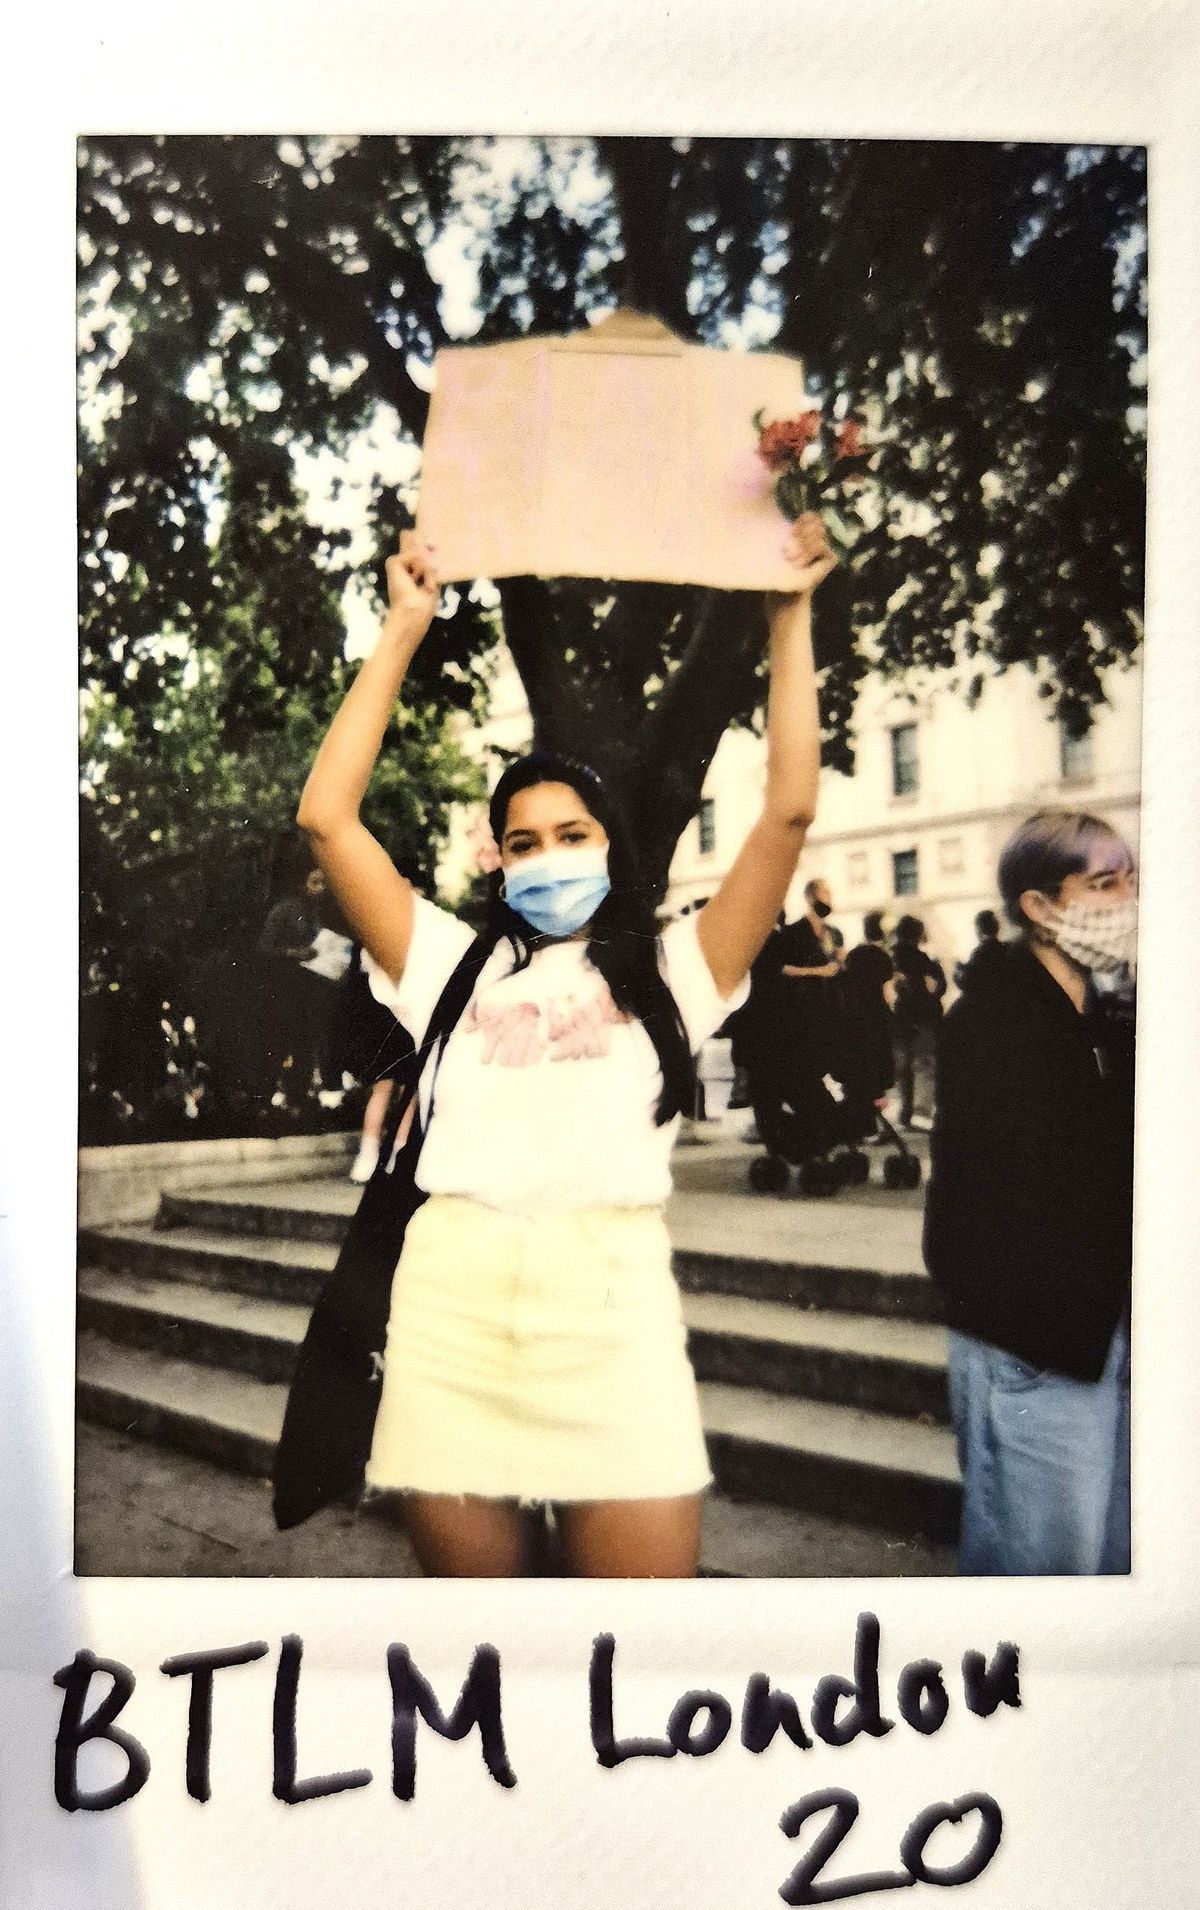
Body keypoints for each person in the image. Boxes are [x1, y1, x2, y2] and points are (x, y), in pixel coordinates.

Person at [294, 517, 836, 1578]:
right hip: (451, 1314)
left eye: (573, 834)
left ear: (611, 847)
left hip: (613, 1318)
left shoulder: (680, 973)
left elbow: (790, 809)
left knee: (631, 1656)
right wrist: (405, 626)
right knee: (491, 1653)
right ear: (496, 862)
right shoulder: (446, 961)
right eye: (523, 841)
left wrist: (791, 617)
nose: (547, 858)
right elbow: (326, 817)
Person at [923, 810, 1136, 1576]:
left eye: (1131, 877)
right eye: (1104, 883)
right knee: (1040, 1568)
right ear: (1039, 908)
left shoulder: (1106, 1015)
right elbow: (987, 1201)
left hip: (1100, 1329)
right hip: (1034, 1343)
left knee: (1105, 1562)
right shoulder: (993, 1020)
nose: (1127, 899)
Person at [257, 860, 354, 1104]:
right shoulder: (284, 910)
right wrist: (294, 953)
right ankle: (288, 1096)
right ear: (302, 883)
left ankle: (314, 1095)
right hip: (287, 990)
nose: (320, 888)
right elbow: (264, 949)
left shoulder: (322, 911)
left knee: (313, 1042)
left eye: (324, 883)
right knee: (290, 1042)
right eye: (315, 882)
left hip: (317, 991)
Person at [839, 911, 896, 1129]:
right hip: (877, 1020)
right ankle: (875, 1120)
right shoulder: (883, 958)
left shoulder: (855, 956)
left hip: (855, 1021)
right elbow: (888, 992)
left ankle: (861, 1122)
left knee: (858, 1077)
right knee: (877, 1078)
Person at [890, 913, 946, 1128]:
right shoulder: (925, 961)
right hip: (924, 1019)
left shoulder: (892, 960)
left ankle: (905, 1112)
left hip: (900, 1020)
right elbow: (936, 988)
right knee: (924, 1066)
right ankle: (920, 1113)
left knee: (903, 1069)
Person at [954, 908, 1006, 992]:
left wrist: (959, 970)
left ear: (979, 929)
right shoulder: (1007, 949)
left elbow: (969, 983)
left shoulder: (979, 954)